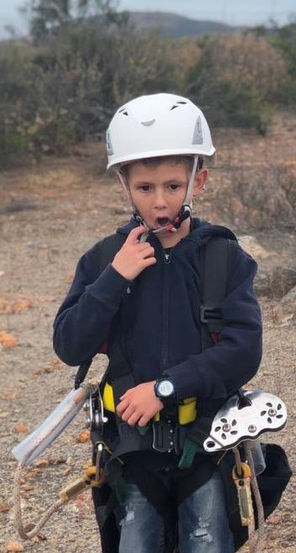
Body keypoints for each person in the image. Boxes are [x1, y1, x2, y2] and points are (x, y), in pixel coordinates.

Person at [53, 93, 262, 553]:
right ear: (123, 185)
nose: (161, 202)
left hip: (207, 444)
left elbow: (244, 351)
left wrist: (166, 387)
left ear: (198, 180)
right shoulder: (104, 260)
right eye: (145, 188)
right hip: (132, 452)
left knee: (208, 541)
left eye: (173, 185)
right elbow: (69, 345)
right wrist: (114, 278)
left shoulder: (223, 258)